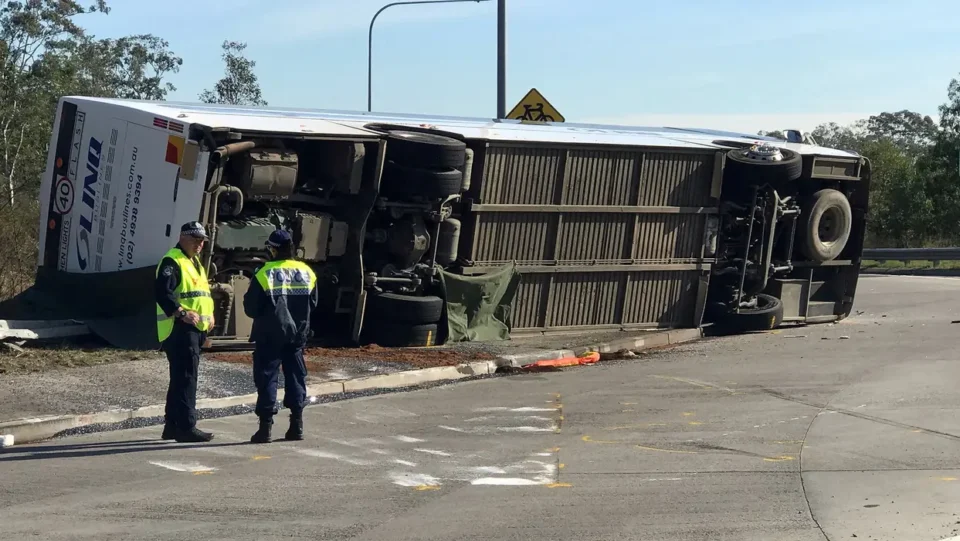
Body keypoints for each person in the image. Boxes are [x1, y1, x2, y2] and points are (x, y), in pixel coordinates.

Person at [243, 229, 319, 443]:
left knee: (267, 379)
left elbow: (251, 308)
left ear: (273, 249)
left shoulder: (264, 273)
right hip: (297, 336)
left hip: (269, 336)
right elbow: (313, 304)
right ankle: (297, 426)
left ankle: (265, 429)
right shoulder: (307, 272)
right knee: (296, 378)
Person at [154, 221, 216, 443]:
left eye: (202, 241)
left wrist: (210, 315)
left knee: (180, 379)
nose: (200, 244)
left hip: (194, 329)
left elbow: (201, 294)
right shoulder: (173, 260)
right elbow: (162, 293)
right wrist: (181, 313)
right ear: (182, 237)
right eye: (195, 239)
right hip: (179, 328)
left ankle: (171, 426)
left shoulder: (194, 261)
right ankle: (186, 427)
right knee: (187, 378)